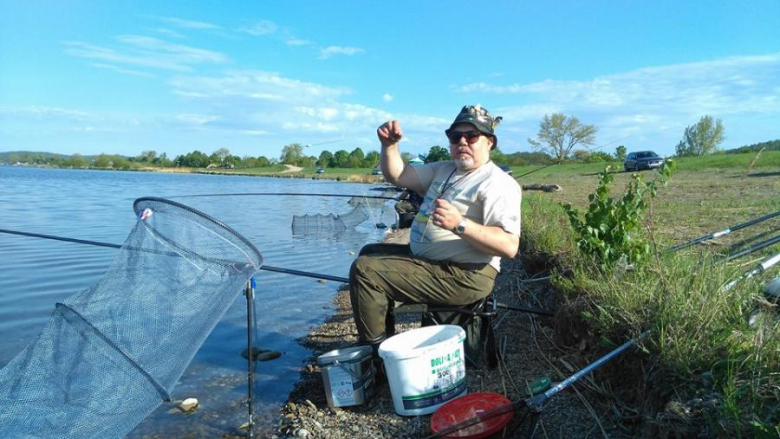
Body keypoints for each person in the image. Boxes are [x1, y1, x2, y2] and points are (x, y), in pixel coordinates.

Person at [349, 104, 522, 356]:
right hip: (435, 262)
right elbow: (398, 175)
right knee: (369, 252)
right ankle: (385, 340)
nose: (462, 141)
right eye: (455, 136)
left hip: (466, 275)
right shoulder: (445, 169)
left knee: (366, 271)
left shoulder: (497, 184)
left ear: (489, 142)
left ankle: (375, 356)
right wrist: (389, 146)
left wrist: (459, 224)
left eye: (471, 136)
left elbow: (509, 246)